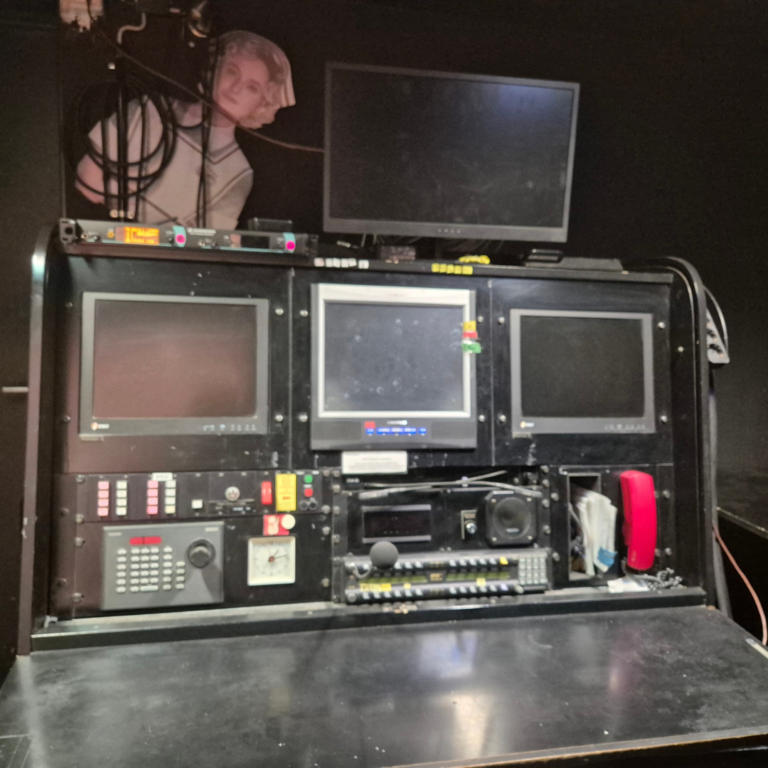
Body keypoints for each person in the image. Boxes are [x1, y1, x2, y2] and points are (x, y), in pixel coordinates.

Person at [76, 30, 295, 229]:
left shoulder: (238, 173)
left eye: (252, 87)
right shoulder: (149, 108)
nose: (236, 88)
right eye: (231, 72)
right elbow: (87, 180)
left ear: (263, 103)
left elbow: (205, 240)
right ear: (213, 69)